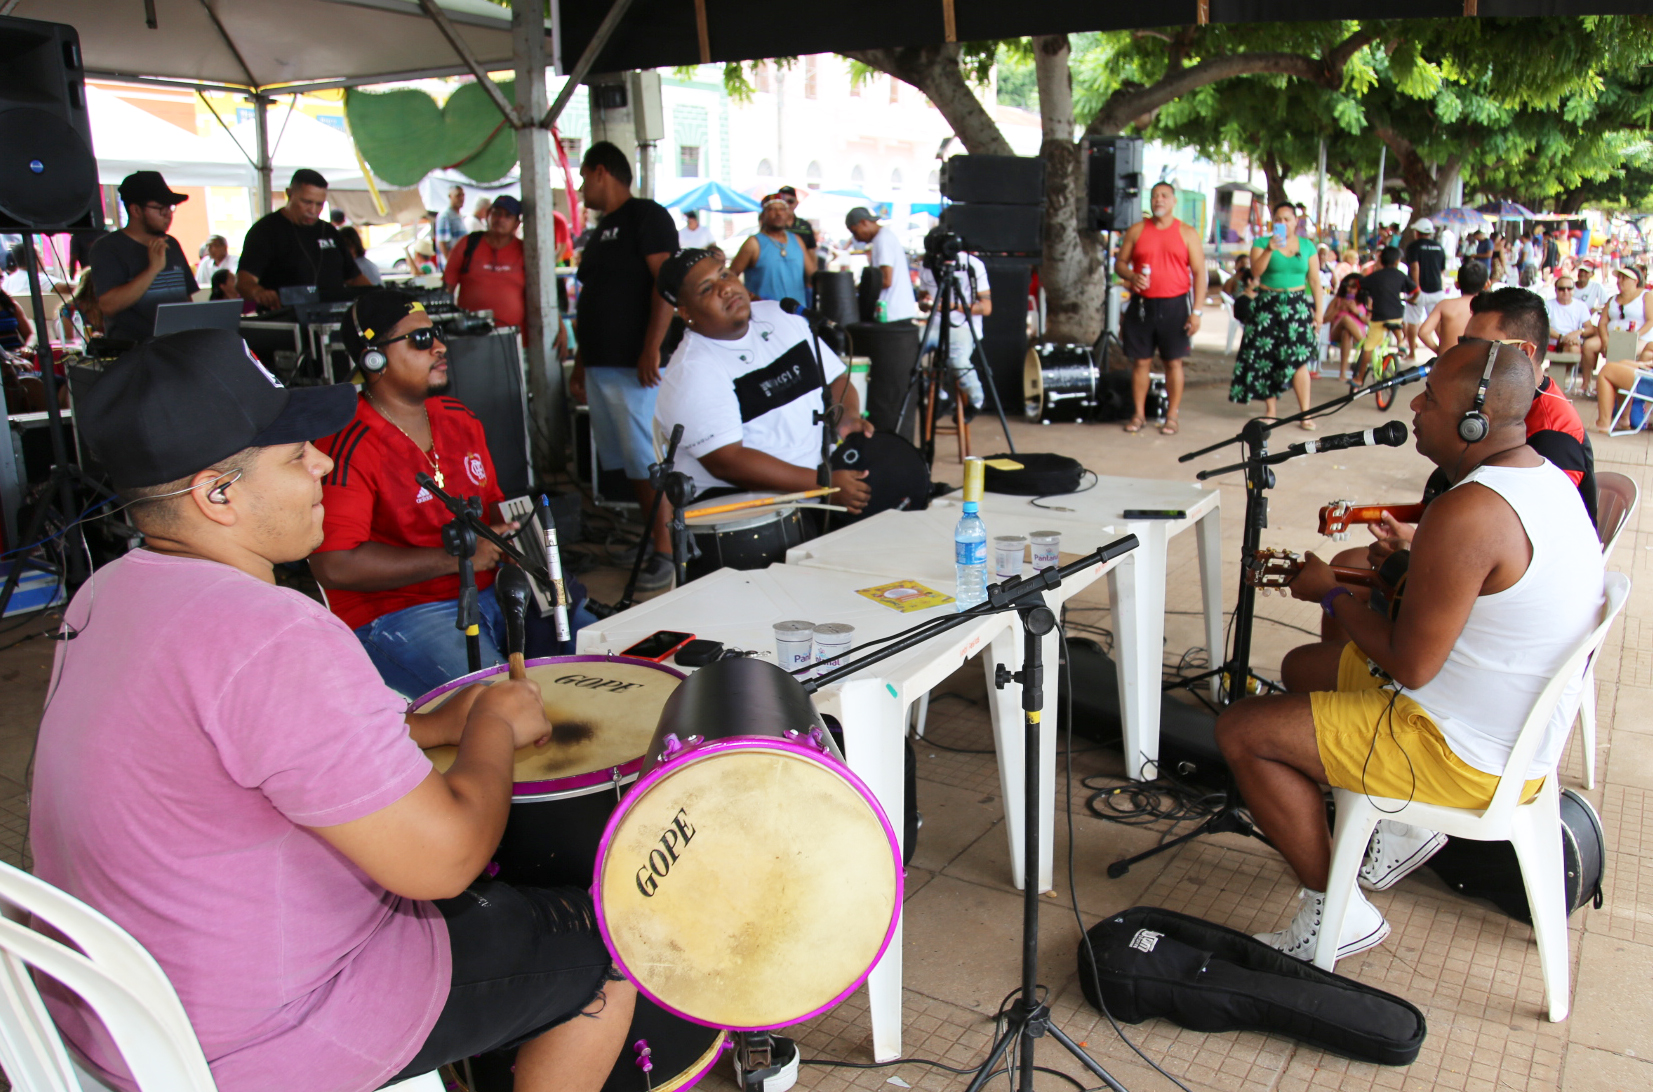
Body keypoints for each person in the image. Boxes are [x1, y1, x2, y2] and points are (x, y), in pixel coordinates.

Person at [36, 327, 636, 1092]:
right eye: (296, 456)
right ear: (217, 494)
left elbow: (243, 740)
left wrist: (426, 726)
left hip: (118, 1011)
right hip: (261, 1033)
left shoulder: (107, 593)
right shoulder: (269, 629)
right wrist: (491, 724)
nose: (324, 463)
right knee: (608, 944)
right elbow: (444, 862)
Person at [1221, 339, 1605, 963]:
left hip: (1463, 751)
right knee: (1302, 669)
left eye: (1430, 397)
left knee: (1241, 729)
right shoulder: (1540, 479)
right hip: (1505, 722)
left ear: (1474, 421)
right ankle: (1380, 821)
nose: (1416, 408)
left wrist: (1330, 593)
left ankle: (1335, 908)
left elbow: (1411, 665)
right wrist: (1409, 559)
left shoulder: (1470, 509)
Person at [309, 289, 592, 696]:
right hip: (401, 610)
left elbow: (493, 508)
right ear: (374, 358)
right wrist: (456, 559)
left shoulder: (460, 419)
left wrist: (520, 542)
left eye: (437, 334)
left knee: (606, 656)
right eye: (421, 339)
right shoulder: (346, 442)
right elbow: (335, 565)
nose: (440, 347)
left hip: (494, 587)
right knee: (502, 705)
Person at [652, 249, 874, 513]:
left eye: (724, 274)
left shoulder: (779, 315)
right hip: (749, 509)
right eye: (707, 288)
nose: (725, 288)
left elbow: (836, 379)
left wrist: (847, 415)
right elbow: (728, 462)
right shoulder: (691, 371)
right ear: (687, 312)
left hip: (822, 481)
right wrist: (823, 485)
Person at [569, 141, 679, 591]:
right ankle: (654, 539)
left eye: (583, 177)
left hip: (636, 367)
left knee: (648, 460)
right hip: (600, 363)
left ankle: (668, 550)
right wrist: (580, 364)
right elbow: (591, 301)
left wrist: (652, 346)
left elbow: (666, 282)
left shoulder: (645, 216)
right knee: (631, 463)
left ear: (601, 171)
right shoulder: (599, 231)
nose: (581, 189)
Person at [1115, 181, 1204, 435]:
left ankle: (1172, 416)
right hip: (1142, 304)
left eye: (1164, 195)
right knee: (1140, 362)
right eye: (1154, 196)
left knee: (1173, 362)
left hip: (1175, 305)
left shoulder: (1187, 233)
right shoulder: (1137, 230)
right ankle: (1139, 414)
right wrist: (1131, 276)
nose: (1159, 200)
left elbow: (1200, 273)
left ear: (1174, 201)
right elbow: (1120, 264)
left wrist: (1196, 312)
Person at [1230, 201, 1323, 424]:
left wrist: (1319, 313)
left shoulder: (1307, 246)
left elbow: (1314, 281)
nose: (1283, 223)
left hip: (1297, 305)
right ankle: (1270, 410)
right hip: (1267, 304)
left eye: (1287, 219)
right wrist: (1270, 249)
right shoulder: (1262, 243)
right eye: (1278, 220)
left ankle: (1305, 413)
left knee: (1300, 358)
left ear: (1295, 221)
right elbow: (1256, 271)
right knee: (1267, 357)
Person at [89, 171, 199, 344]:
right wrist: (152, 269)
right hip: (134, 351)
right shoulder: (108, 247)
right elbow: (108, 306)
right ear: (136, 210)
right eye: (160, 208)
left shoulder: (172, 244)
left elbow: (185, 299)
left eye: (170, 208)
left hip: (178, 346)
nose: (168, 214)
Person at [238, 169, 372, 309]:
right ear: (289, 193)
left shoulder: (329, 231)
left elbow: (354, 278)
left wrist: (375, 296)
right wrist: (259, 292)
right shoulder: (265, 231)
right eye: (307, 202)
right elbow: (244, 282)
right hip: (285, 318)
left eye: (319, 204)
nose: (313, 210)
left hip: (332, 316)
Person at [917, 242, 992, 417]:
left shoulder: (972, 265)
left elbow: (986, 308)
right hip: (934, 324)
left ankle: (977, 400)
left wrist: (952, 306)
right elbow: (922, 301)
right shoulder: (926, 266)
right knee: (903, 351)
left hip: (963, 326)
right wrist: (927, 304)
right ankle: (938, 395)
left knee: (957, 360)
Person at [443, 195, 526, 331]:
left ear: (517, 224)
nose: (500, 219)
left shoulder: (525, 251)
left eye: (508, 216)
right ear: (488, 215)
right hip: (470, 334)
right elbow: (447, 288)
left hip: (514, 334)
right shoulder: (468, 243)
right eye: (496, 213)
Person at [732, 196, 816, 307]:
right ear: (763, 215)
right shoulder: (753, 243)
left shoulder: (797, 240)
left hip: (797, 313)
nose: (778, 213)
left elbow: (813, 275)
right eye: (772, 209)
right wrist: (749, 295)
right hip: (764, 314)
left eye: (782, 209)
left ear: (788, 214)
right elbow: (731, 276)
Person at [1353, 246, 1414, 383]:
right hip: (1397, 313)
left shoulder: (1375, 276)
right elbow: (1415, 290)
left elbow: (1358, 283)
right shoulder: (1400, 275)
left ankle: (1359, 378)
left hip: (1379, 316)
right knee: (1396, 323)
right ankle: (1401, 342)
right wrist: (1412, 300)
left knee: (1369, 347)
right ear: (1397, 261)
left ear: (1380, 260)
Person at [845, 206, 917, 324]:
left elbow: (886, 280)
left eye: (855, 232)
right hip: (896, 313)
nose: (856, 238)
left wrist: (860, 287)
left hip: (893, 314)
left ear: (863, 223)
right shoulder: (883, 237)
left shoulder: (882, 239)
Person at [1418, 259, 1488, 356]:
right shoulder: (1488, 308)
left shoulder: (1444, 305)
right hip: (1475, 361)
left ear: (1457, 284)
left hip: (1447, 360)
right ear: (1487, 285)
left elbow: (1423, 332)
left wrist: (1440, 352)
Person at [1402, 218, 1448, 358]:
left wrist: (1417, 288)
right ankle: (1445, 353)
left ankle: (1412, 353)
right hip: (1436, 290)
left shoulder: (1413, 246)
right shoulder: (1439, 247)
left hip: (1417, 290)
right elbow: (1442, 271)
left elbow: (1415, 267)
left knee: (1413, 321)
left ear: (1417, 232)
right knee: (1438, 323)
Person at [1322, 274, 1369, 381]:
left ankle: (1342, 373)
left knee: (1346, 333)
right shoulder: (1338, 300)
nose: (1349, 289)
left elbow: (1369, 322)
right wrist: (1339, 309)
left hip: (1356, 334)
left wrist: (1357, 312)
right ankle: (1366, 346)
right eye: (1348, 286)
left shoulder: (1366, 302)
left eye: (1353, 287)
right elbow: (1324, 320)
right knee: (1345, 319)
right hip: (1336, 333)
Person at [1545, 275, 1591, 355]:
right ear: (1555, 290)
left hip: (1572, 343)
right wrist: (1563, 338)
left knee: (1575, 349)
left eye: (1569, 288)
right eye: (1561, 289)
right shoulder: (1547, 305)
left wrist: (1579, 332)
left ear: (1574, 290)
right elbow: (1545, 327)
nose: (1566, 291)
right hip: (1551, 343)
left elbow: (1590, 328)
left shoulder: (1581, 305)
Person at [776, 186, 818, 251]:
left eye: (790, 201)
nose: (787, 205)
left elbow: (811, 251)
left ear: (796, 203)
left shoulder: (805, 226)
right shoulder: (772, 225)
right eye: (783, 201)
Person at [436, 185, 468, 263]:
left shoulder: (459, 215)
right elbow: (442, 243)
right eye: (458, 195)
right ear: (450, 196)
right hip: (452, 264)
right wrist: (451, 264)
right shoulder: (445, 215)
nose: (461, 198)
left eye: (463, 195)